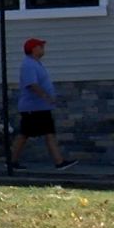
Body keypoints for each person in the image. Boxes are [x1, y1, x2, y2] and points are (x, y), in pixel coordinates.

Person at [8, 38, 77, 171]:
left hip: (40, 107)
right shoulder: (29, 64)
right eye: (40, 46)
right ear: (34, 49)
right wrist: (46, 96)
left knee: (47, 132)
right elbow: (32, 84)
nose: (43, 49)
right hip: (33, 108)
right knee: (25, 134)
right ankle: (12, 162)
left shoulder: (35, 63)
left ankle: (59, 162)